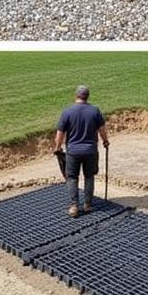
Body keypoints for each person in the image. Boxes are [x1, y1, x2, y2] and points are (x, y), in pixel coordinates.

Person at [54, 85, 109, 217]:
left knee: (72, 177)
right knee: (89, 177)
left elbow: (60, 133)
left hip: (73, 152)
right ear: (87, 96)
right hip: (90, 151)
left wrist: (57, 147)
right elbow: (102, 130)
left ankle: (74, 206)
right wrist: (105, 141)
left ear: (76, 96)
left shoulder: (67, 112)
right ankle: (87, 204)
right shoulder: (95, 111)